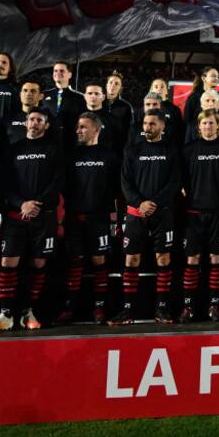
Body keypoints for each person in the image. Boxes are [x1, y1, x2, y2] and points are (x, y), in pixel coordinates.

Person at [0, 107, 63, 333]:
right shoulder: (13, 149)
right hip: (15, 216)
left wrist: (36, 204)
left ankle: (29, 310)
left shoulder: (54, 150)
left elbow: (57, 182)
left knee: (39, 263)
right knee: (8, 262)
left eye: (40, 120)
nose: (35, 123)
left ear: (46, 125)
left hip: (43, 216)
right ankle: (6, 313)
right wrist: (22, 204)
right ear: (26, 123)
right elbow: (5, 184)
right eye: (32, 119)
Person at [113, 112, 182, 325]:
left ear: (162, 126)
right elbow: (125, 182)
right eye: (145, 123)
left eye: (152, 123)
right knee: (131, 259)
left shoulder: (171, 150)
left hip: (162, 213)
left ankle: (162, 309)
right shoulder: (133, 150)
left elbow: (175, 182)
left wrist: (156, 203)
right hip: (136, 213)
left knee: (163, 259)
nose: (147, 126)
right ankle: (127, 309)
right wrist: (139, 202)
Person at [58, 113, 120, 325]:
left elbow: (115, 188)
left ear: (96, 129)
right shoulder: (70, 155)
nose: (78, 131)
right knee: (75, 261)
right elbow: (63, 187)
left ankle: (100, 307)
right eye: (77, 126)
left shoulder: (109, 156)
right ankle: (70, 307)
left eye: (83, 127)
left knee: (99, 261)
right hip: (74, 218)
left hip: (99, 218)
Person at [181, 110, 219, 322]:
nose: (207, 126)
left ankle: (214, 305)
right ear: (198, 126)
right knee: (192, 259)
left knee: (216, 259)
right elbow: (183, 181)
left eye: (211, 123)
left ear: (218, 126)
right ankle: (188, 306)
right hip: (193, 213)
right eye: (204, 123)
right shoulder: (188, 150)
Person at [42, 61, 83, 143]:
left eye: (62, 71)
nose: (58, 73)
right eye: (55, 70)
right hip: (47, 140)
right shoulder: (43, 95)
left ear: (70, 75)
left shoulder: (80, 97)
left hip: (70, 141)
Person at [81, 81, 123, 152]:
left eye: (97, 93)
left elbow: (118, 144)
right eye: (90, 93)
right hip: (80, 160)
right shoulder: (75, 118)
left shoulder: (112, 120)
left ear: (103, 97)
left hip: (104, 160)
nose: (93, 96)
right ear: (85, 96)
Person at [2, 80, 45, 146]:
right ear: (20, 94)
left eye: (33, 91)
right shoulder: (8, 118)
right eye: (25, 90)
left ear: (41, 96)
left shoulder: (47, 119)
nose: (28, 94)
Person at [104, 70, 134, 143]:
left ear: (120, 88)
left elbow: (129, 130)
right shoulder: (98, 103)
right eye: (110, 82)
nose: (113, 85)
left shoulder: (126, 107)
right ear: (106, 85)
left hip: (117, 146)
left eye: (116, 83)